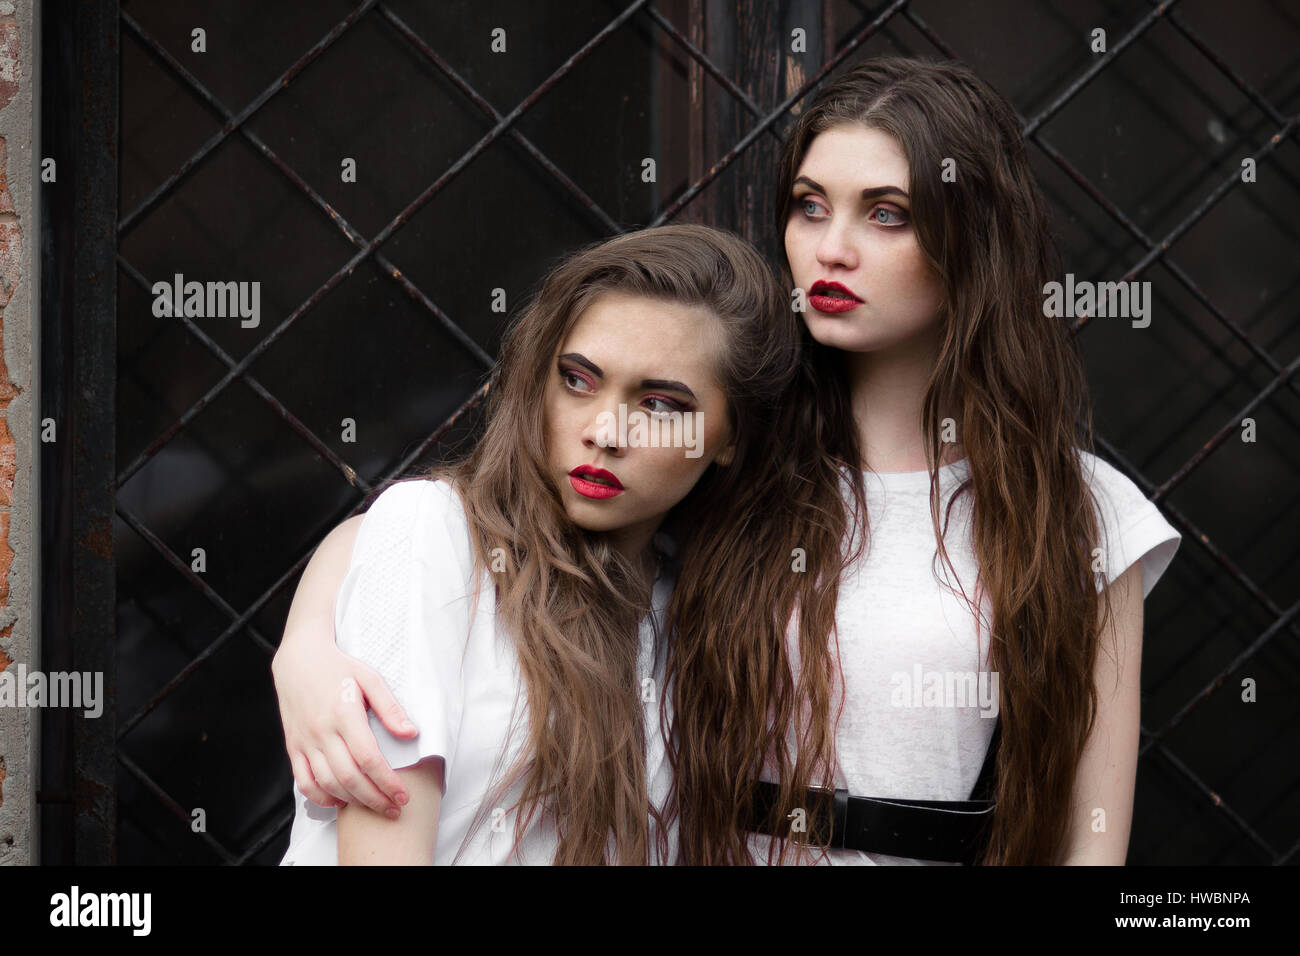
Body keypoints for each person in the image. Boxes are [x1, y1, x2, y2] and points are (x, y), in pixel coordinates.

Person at [277, 55, 1182, 866]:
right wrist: (308, 645)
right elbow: (454, 523)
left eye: (888, 214)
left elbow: (1088, 840)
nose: (831, 247)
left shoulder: (1079, 510)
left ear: (972, 239)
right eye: (809, 205)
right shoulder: (730, 448)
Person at [275, 223, 800, 864]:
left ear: (729, 440)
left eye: (661, 405)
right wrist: (302, 638)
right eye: (578, 380)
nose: (604, 431)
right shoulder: (432, 536)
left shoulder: (698, 615)